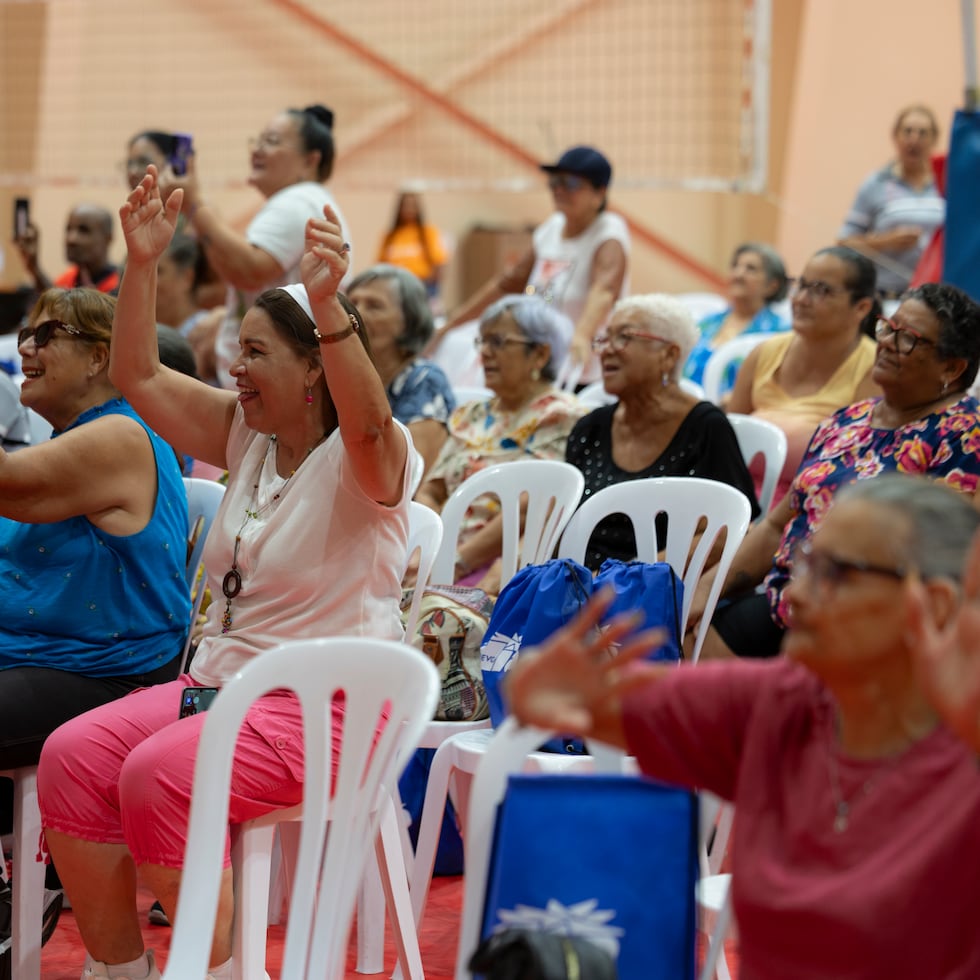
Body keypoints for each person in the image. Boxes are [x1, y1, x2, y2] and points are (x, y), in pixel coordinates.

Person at [36, 166, 415, 980]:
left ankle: (218, 975)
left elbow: (371, 418)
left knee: (158, 775)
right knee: (70, 755)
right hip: (220, 687)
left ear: (315, 369)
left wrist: (328, 306)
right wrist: (141, 265)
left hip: (332, 711)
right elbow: (137, 374)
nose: (232, 369)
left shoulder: (369, 457)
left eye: (254, 354)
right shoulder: (246, 434)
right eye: (233, 352)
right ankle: (123, 970)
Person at [505, 474, 980, 980]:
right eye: (805, 564)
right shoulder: (779, 706)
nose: (795, 593)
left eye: (835, 573)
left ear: (936, 603)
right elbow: (577, 701)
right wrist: (541, 685)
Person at [0, 285, 191, 941]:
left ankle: (12, 899)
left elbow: (9, 486)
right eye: (24, 333)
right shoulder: (70, 438)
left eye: (46, 333)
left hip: (109, 676)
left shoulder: (119, 433)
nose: (26, 347)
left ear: (98, 357)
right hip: (41, 657)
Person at [691, 281, 980, 662]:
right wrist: (703, 594)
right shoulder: (848, 419)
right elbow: (779, 525)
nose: (889, 343)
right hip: (786, 604)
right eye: (887, 329)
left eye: (908, 338)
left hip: (865, 632)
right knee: (686, 639)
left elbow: (942, 560)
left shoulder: (963, 435)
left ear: (952, 367)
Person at [565, 294, 759, 571]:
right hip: (575, 580)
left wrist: (621, 578)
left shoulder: (705, 427)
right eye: (604, 339)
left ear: (669, 355)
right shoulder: (590, 427)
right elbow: (559, 520)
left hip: (658, 588)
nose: (606, 350)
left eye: (624, 337)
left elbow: (726, 531)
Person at [161, 104, 350, 386]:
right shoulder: (302, 201)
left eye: (272, 142)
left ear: (310, 160)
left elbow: (248, 270)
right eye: (258, 140)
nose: (257, 150)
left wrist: (194, 205)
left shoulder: (297, 200)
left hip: (274, 384)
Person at [416, 295, 585, 589]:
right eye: (482, 342)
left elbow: (530, 507)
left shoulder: (562, 415)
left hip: (501, 564)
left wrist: (457, 561)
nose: (484, 354)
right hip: (442, 554)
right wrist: (429, 549)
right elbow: (432, 489)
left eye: (499, 342)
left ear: (540, 354)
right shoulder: (472, 414)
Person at [428, 145, 629, 384]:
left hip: (582, 372)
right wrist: (448, 326)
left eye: (572, 183)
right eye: (555, 182)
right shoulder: (551, 229)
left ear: (599, 193)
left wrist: (582, 335)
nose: (560, 190)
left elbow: (604, 290)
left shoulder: (609, 232)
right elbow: (507, 285)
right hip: (539, 368)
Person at [726, 245, 881, 505]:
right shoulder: (764, 353)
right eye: (802, 285)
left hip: (810, 511)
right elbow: (726, 447)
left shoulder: (873, 369)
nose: (801, 300)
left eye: (821, 290)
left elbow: (856, 475)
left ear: (862, 307)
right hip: (737, 499)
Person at [348, 264, 455, 476]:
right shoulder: (342, 377)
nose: (356, 314)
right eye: (352, 303)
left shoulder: (424, 381)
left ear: (409, 320)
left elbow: (408, 474)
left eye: (374, 306)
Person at [838, 105, 945, 299]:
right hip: (886, 293)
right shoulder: (875, 183)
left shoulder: (946, 183)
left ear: (934, 139)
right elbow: (844, 243)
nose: (914, 139)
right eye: (908, 131)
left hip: (934, 297)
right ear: (895, 137)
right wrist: (886, 241)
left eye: (923, 133)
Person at [682, 242, 790, 395]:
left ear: (772, 285)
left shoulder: (780, 333)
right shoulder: (707, 323)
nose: (738, 274)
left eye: (750, 269)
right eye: (735, 266)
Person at [15, 204, 120, 296]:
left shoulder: (120, 285)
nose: (71, 239)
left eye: (83, 231)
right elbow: (56, 304)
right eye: (69, 229)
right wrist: (34, 268)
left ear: (108, 238)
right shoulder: (69, 278)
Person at [376, 190, 448, 300]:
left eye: (413, 205)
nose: (409, 209)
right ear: (399, 208)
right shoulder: (390, 235)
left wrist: (429, 287)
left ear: (419, 208)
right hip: (395, 288)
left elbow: (439, 263)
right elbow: (380, 264)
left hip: (422, 286)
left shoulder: (428, 232)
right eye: (406, 205)